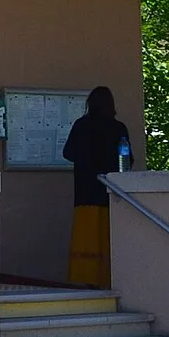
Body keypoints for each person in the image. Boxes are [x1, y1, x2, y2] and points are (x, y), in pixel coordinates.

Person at [63, 86, 132, 288]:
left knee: (86, 238)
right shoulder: (118, 128)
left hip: (85, 191)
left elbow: (68, 153)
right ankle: (109, 278)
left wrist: (86, 161)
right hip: (111, 192)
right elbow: (127, 160)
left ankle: (84, 279)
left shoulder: (81, 125)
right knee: (107, 237)